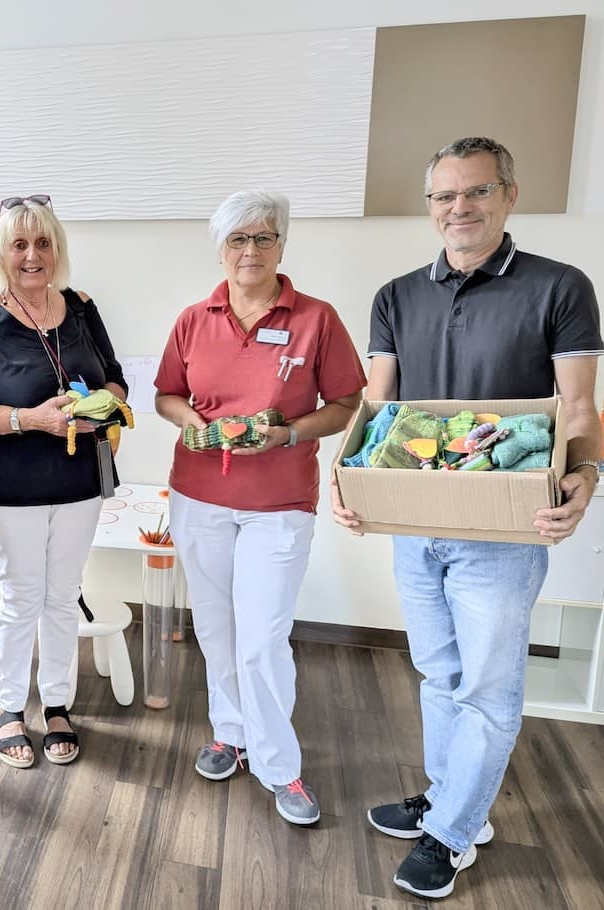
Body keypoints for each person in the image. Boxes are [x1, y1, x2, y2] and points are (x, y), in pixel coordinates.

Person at [333, 137, 602, 900]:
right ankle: (455, 801)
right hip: (417, 522)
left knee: (488, 687)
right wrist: (346, 478)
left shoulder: (560, 287)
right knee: (439, 675)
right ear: (430, 208)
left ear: (509, 196)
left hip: (507, 530)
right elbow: (379, 408)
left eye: (477, 192)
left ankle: (451, 835)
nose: (460, 208)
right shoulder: (396, 295)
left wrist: (586, 474)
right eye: (445, 196)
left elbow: (578, 406)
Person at [154, 190, 365, 825]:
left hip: (278, 503)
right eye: (238, 240)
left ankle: (280, 765)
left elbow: (347, 401)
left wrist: (289, 433)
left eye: (264, 238)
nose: (251, 250)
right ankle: (231, 734)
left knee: (264, 638)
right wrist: (191, 422)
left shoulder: (316, 318)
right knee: (216, 628)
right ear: (221, 249)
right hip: (198, 495)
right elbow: (166, 394)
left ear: (281, 245)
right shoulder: (195, 318)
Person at [0, 195, 128, 768]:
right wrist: (33, 419)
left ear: (57, 249)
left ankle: (56, 705)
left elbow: (116, 382)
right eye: (19, 244)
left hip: (80, 476)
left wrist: (97, 406)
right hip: (11, 482)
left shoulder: (79, 305)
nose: (32, 255)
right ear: (2, 251)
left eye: (43, 243)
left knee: (61, 593)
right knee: (21, 596)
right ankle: (7, 710)